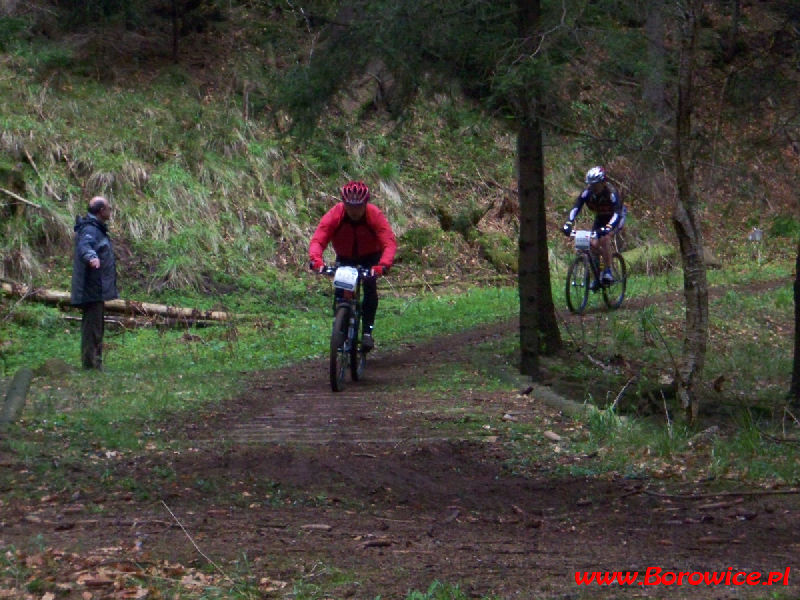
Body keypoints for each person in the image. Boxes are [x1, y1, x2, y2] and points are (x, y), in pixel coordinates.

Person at [309, 181, 397, 351]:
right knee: (342, 292)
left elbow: (389, 242)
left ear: (365, 204)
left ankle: (367, 332)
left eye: (358, 207)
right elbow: (319, 239)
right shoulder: (336, 214)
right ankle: (340, 326)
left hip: (370, 256)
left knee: (370, 289)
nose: (354, 211)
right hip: (345, 257)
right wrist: (316, 261)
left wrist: (383, 265)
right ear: (344, 204)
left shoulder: (374, 215)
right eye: (350, 207)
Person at [70, 196, 118, 370]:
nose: (110, 211)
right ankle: (91, 365)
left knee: (96, 326)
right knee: (92, 328)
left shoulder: (96, 228)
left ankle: (94, 363)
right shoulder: (90, 229)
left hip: (95, 287)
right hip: (90, 288)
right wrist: (91, 256)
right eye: (108, 208)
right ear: (101, 211)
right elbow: (85, 246)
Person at [562, 166, 626, 289]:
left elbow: (617, 213)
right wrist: (568, 223)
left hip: (616, 217)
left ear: (603, 183)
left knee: (605, 239)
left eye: (595, 185)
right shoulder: (587, 193)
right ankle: (598, 275)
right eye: (590, 185)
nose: (593, 188)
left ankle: (608, 271)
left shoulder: (611, 193)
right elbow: (576, 207)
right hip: (601, 217)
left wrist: (608, 228)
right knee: (592, 245)